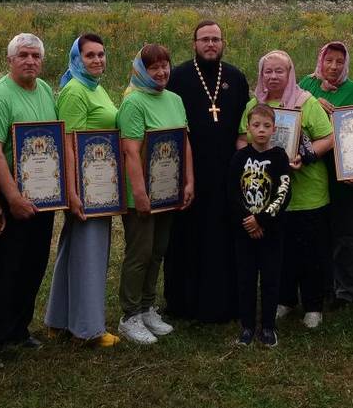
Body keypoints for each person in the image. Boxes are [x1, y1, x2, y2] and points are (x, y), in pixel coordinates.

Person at [0, 33, 58, 355]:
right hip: (13, 200)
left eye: (36, 56)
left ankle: (19, 329)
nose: (30, 61)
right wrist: (13, 199)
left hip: (45, 197)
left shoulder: (46, 90)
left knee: (34, 265)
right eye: (23, 55)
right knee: (5, 269)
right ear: (10, 60)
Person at [238, 50, 333, 329]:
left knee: (310, 251)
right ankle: (285, 299)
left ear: (290, 73)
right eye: (268, 71)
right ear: (261, 75)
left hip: (308, 193)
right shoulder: (254, 104)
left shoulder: (306, 102)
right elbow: (242, 139)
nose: (273, 76)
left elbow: (327, 138)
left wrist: (306, 157)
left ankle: (313, 305)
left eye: (280, 71)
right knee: (280, 251)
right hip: (270, 197)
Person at [165, 20, 249, 323]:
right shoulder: (178, 77)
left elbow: (244, 127)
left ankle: (225, 301)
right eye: (204, 39)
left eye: (216, 39)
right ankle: (183, 302)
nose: (210, 44)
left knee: (223, 235)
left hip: (227, 171)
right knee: (187, 236)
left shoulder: (236, 78)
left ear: (223, 43)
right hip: (189, 171)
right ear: (194, 43)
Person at [44, 34, 121, 347]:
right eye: (90, 55)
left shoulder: (95, 86)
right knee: (89, 253)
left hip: (102, 183)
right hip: (88, 186)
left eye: (101, 55)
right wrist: (73, 191)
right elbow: (68, 143)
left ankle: (60, 319)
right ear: (77, 58)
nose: (98, 60)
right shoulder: (75, 91)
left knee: (76, 250)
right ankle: (88, 329)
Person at [116, 44, 195, 344]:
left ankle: (148, 307)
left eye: (165, 65)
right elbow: (131, 152)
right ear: (141, 70)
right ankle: (130, 315)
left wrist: (189, 181)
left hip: (168, 191)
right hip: (143, 195)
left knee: (159, 250)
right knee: (140, 253)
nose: (161, 72)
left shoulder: (174, 99)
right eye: (154, 67)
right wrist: (139, 194)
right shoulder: (133, 103)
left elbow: (184, 142)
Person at [298, 41, 353, 308]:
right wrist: (315, 101)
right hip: (314, 172)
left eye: (339, 61)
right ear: (320, 59)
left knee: (346, 233)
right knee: (320, 232)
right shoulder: (306, 85)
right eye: (329, 60)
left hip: (345, 172)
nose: (333, 66)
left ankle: (346, 290)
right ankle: (323, 285)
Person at [227, 104, 293, 347]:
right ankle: (247, 326)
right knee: (245, 278)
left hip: (272, 231)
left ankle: (268, 326)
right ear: (248, 128)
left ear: (274, 129)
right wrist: (248, 221)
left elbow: (283, 192)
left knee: (270, 279)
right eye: (256, 125)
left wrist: (262, 219)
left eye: (266, 126)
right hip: (244, 231)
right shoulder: (239, 157)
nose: (261, 130)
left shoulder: (279, 157)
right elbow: (232, 193)